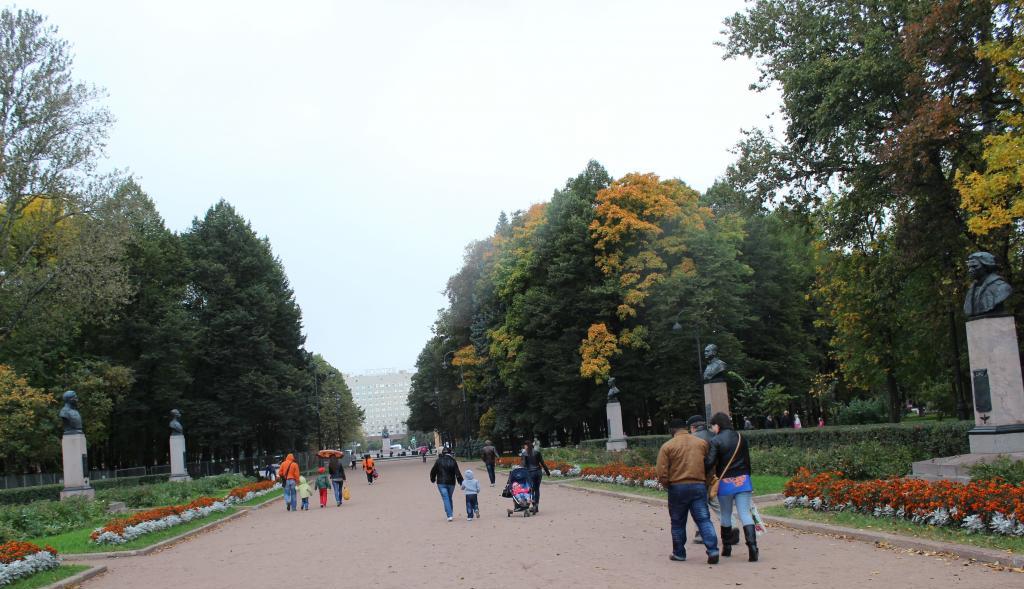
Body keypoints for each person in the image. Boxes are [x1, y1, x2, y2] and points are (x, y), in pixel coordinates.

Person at [657, 418, 719, 564]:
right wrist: (706, 482)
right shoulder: (701, 443)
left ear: (672, 430)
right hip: (698, 485)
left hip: (677, 487)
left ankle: (679, 553)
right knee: (704, 520)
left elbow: (661, 472)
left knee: (677, 522)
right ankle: (713, 550)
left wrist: (667, 485)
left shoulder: (667, 446)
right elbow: (710, 465)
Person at [706, 412, 758, 562]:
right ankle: (753, 548)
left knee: (726, 514)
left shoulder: (715, 441)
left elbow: (710, 463)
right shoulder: (741, 437)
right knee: (745, 513)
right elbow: (747, 461)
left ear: (718, 425)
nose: (712, 429)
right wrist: (747, 476)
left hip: (725, 482)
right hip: (743, 480)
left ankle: (727, 548)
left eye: (713, 426)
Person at [429, 448, 463, 521]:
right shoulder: (453, 461)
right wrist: (461, 482)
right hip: (451, 483)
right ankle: (450, 512)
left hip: (441, 482)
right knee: (449, 497)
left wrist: (432, 479)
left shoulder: (438, 461)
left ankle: (449, 514)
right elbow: (457, 473)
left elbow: (433, 471)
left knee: (446, 498)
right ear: (450, 453)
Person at [520, 441, 550, 513]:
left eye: (524, 446)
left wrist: (520, 473)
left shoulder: (524, 454)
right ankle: (536, 505)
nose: (524, 447)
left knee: (531, 490)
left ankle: (534, 506)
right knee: (537, 489)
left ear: (526, 446)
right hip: (538, 472)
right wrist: (547, 472)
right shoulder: (537, 452)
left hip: (530, 473)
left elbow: (523, 465)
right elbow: (542, 463)